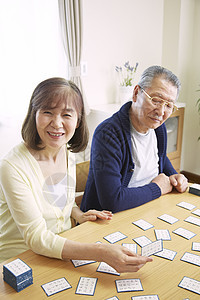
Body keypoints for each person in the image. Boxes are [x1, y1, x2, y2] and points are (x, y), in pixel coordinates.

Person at [0, 77, 152, 272]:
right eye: (47, 112)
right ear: (34, 114)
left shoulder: (66, 151)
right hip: (20, 262)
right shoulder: (12, 166)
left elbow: (59, 198)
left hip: (60, 252)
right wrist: (102, 252)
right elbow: (36, 238)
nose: (57, 123)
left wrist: (79, 215)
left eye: (66, 115)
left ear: (78, 120)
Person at [81, 66, 188, 214]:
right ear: (136, 93)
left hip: (148, 208)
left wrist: (175, 176)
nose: (161, 112)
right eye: (156, 100)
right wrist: (157, 188)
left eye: (169, 105)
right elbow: (112, 201)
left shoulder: (158, 129)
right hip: (110, 219)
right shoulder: (108, 133)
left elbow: (161, 159)